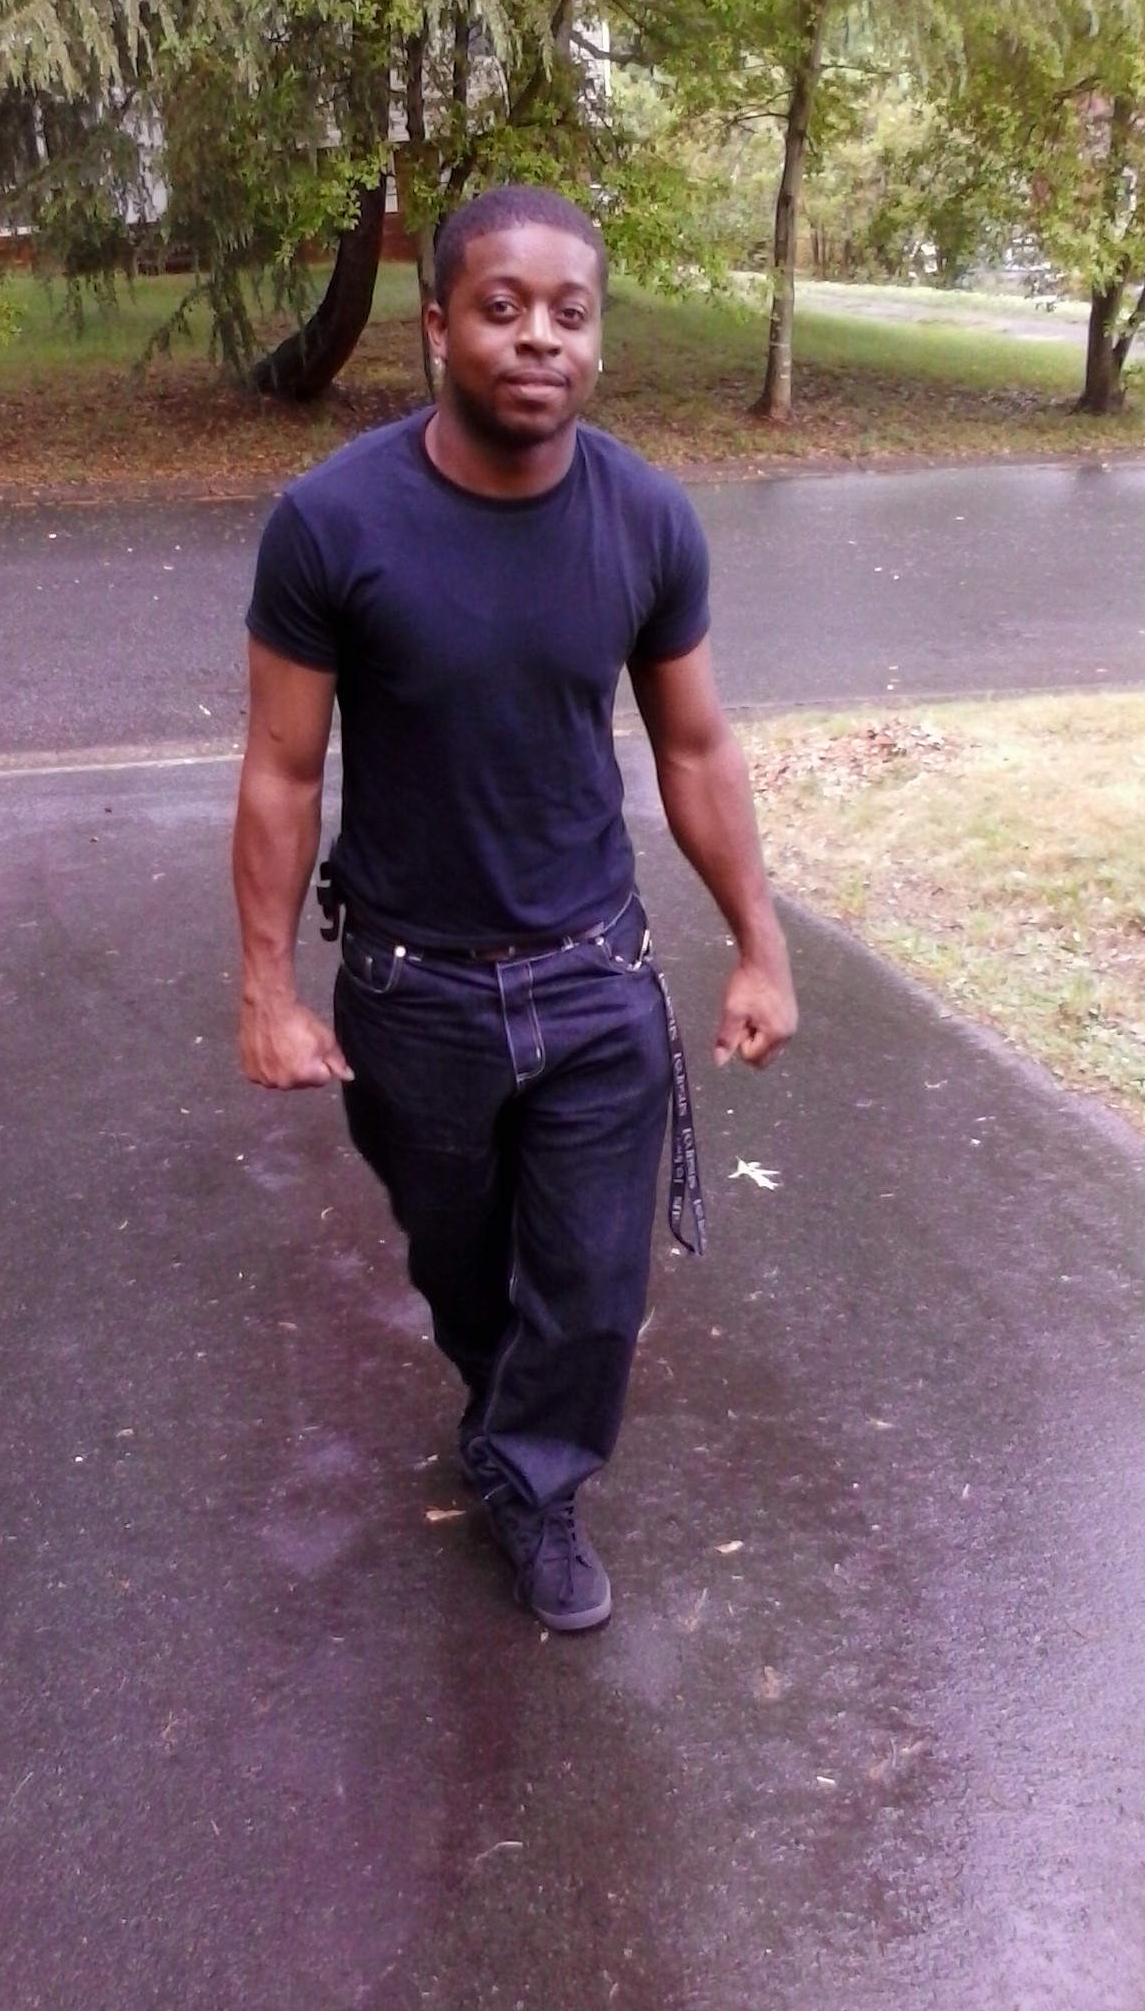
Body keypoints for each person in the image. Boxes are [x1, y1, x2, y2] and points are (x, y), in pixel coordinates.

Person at [232, 184, 796, 1634]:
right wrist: (266, 989)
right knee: (462, 1266)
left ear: (595, 339)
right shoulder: (331, 524)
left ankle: (533, 1482)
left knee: (594, 1289)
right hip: (412, 988)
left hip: (595, 973)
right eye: (502, 307)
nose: (539, 336)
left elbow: (693, 748)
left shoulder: (646, 519)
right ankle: (506, 1411)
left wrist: (759, 944)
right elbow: (283, 771)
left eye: (569, 312)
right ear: (438, 327)